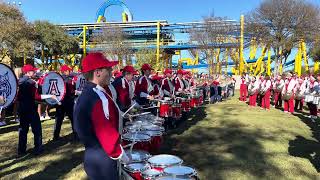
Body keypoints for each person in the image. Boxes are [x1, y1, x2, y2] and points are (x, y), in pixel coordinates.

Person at [74, 52, 130, 180]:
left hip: (93, 154)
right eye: (108, 69)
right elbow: (105, 132)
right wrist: (121, 155)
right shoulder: (96, 96)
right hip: (103, 157)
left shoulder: (89, 93)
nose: (111, 72)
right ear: (98, 72)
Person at [17, 64, 57, 155]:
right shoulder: (32, 82)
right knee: (37, 129)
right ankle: (38, 148)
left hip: (22, 108)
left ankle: (21, 150)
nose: (35, 72)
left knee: (23, 130)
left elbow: (18, 96)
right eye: (33, 71)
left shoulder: (19, 81)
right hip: (31, 108)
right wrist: (50, 95)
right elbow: (37, 97)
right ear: (28, 72)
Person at [54, 65, 76, 141]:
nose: (69, 72)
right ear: (65, 71)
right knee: (73, 118)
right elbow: (71, 91)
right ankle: (76, 135)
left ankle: (56, 136)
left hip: (59, 102)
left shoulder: (58, 79)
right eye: (68, 71)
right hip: (68, 101)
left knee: (58, 120)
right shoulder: (68, 79)